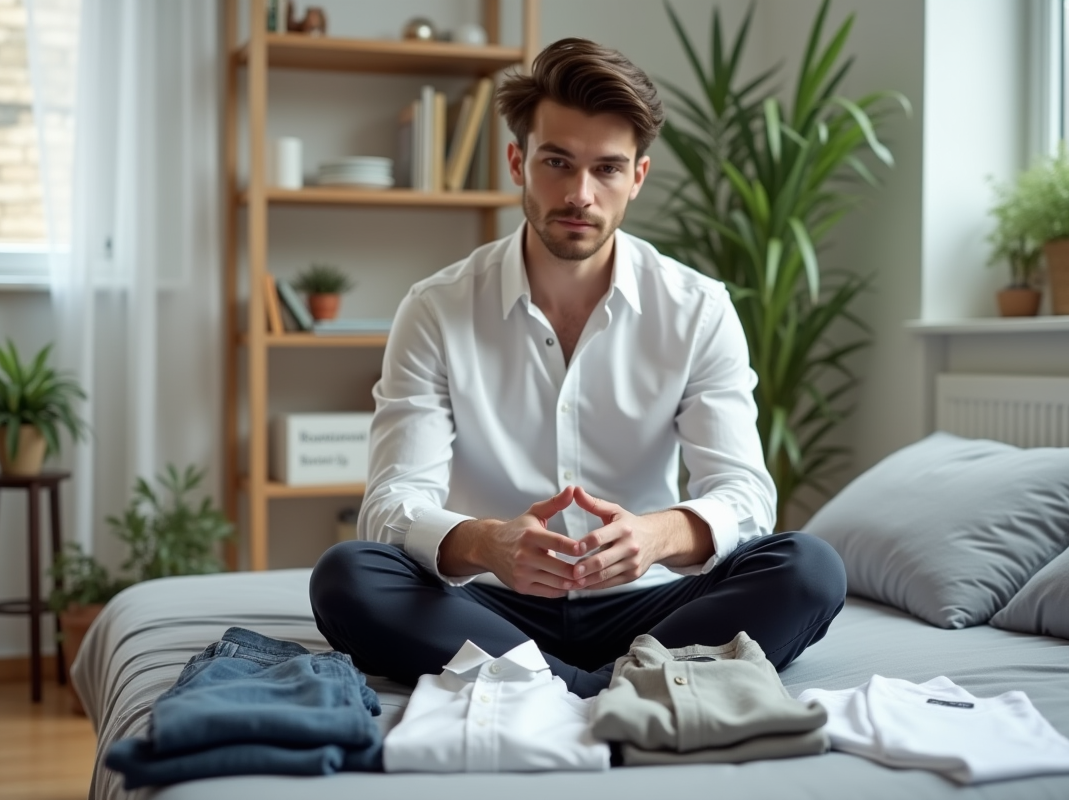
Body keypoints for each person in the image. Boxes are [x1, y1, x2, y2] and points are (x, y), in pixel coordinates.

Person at [310, 37, 846, 699]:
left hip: (653, 608)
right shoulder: (436, 309)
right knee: (348, 577)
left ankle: (546, 690)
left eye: (607, 169)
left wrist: (655, 536)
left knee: (810, 568)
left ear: (638, 178)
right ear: (518, 161)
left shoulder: (698, 309)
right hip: (492, 607)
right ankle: (612, 691)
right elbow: (391, 507)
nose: (580, 194)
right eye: (557, 162)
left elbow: (745, 497)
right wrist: (490, 543)